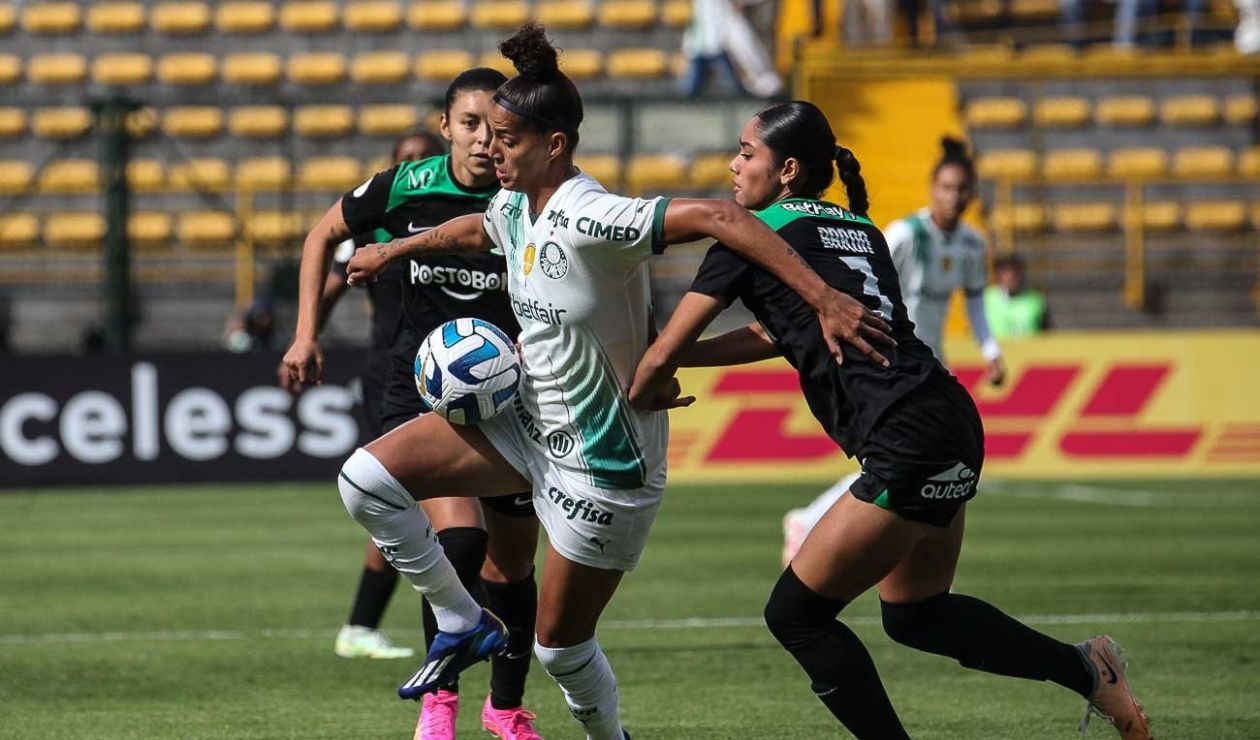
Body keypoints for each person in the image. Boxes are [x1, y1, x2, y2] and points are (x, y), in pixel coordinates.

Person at [325, 24, 892, 740]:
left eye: (508, 138)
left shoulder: (593, 215)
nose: (489, 150)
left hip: (604, 464)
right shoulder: (510, 204)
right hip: (528, 422)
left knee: (560, 649)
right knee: (364, 480)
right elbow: (478, 231)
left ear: (554, 145)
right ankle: (463, 621)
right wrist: (395, 249)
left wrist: (823, 297)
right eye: (489, 135)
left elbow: (721, 217)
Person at [627, 100, 1152, 740]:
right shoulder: (859, 229)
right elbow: (777, 331)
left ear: (787, 170)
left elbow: (662, 353)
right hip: (951, 416)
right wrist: (685, 360)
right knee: (916, 615)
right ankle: (1085, 669)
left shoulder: (746, 234)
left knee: (795, 615)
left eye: (746, 153)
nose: (733, 165)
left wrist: (643, 384)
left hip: (906, 436)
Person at [280, 69, 546, 740]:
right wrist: (306, 334)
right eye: (471, 124)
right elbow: (321, 237)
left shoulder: (532, 198)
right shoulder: (405, 185)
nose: (486, 140)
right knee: (457, 541)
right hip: (420, 393)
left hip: (513, 402)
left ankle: (506, 707)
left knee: (512, 569)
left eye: (499, 128)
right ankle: (441, 705)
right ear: (445, 127)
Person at [283, 130, 442, 667]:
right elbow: (330, 282)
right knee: (408, 498)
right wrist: (307, 339)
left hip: (453, 374)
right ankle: (362, 624)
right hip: (394, 373)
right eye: (407, 160)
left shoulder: (462, 217)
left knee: (443, 505)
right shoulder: (377, 223)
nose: (417, 165)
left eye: (425, 158)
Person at [885, 136, 1005, 385]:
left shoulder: (974, 244)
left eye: (961, 189)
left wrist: (991, 352)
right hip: (893, 353)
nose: (954, 196)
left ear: (971, 192)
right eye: (947, 187)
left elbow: (975, 304)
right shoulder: (905, 234)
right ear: (933, 188)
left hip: (932, 354)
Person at [985, 253, 1049, 338]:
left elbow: (1047, 333)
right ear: (997, 275)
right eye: (1005, 271)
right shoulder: (986, 298)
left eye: (1015, 270)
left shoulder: (1035, 300)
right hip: (997, 350)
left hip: (1029, 350)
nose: (1011, 276)